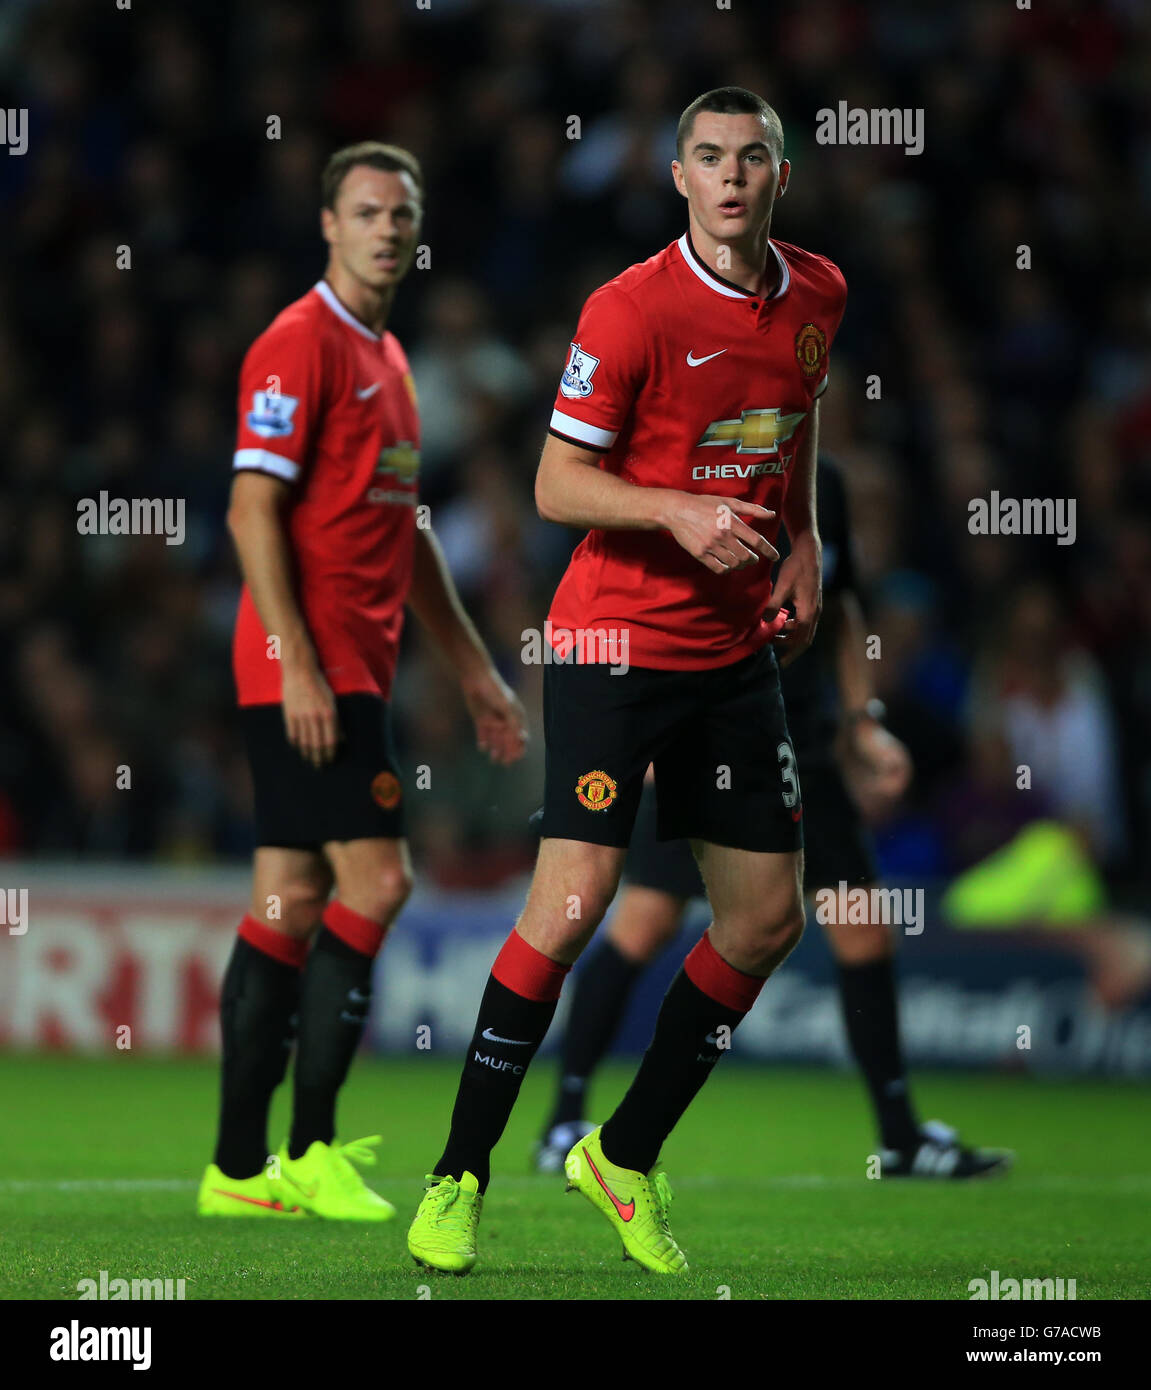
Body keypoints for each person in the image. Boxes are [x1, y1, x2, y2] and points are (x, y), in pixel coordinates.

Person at [407, 86, 844, 1275]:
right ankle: (457, 1174)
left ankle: (623, 1153)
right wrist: (676, 511)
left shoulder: (818, 294)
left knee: (762, 920)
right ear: (679, 178)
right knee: (571, 906)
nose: (731, 177)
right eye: (708, 158)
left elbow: (792, 429)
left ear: (779, 177)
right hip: (609, 639)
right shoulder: (630, 308)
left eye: (752, 158)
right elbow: (555, 483)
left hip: (729, 650)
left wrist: (800, 540)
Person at [198, 141, 526, 1221]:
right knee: (378, 883)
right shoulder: (299, 346)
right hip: (311, 666)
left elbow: (406, 533)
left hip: (351, 667)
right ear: (329, 226)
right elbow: (251, 509)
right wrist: (295, 661)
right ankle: (310, 1147)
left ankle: (238, 1172)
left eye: (403, 213)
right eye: (368, 210)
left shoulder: (389, 361)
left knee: (289, 900)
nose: (389, 227)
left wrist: (474, 670)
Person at [535, 457, 1010, 1182]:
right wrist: (641, 730)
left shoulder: (823, 485)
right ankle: (563, 1117)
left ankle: (900, 1134)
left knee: (859, 921)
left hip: (803, 739)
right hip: (705, 729)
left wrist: (861, 721)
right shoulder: (689, 466)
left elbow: (840, 604)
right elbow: (639, 596)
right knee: (645, 921)